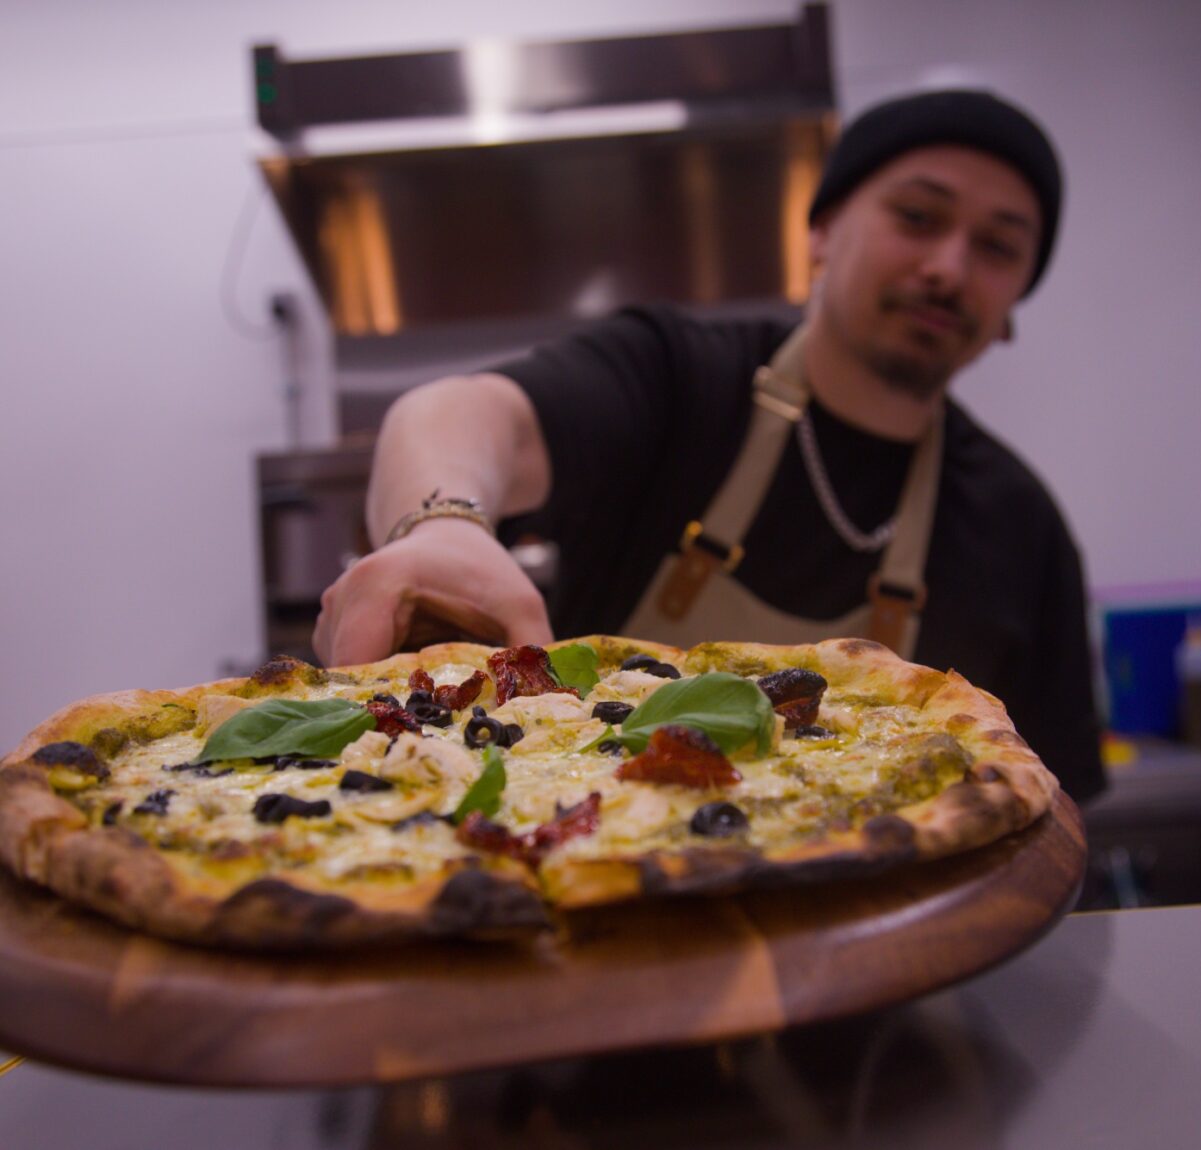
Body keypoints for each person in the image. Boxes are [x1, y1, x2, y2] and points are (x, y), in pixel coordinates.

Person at [313, 89, 1106, 803]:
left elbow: (1048, 813)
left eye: (998, 247)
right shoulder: (680, 376)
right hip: (596, 865)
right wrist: (444, 525)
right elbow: (457, 411)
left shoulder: (1024, 528)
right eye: (918, 217)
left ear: (1011, 310)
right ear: (823, 232)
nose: (947, 267)